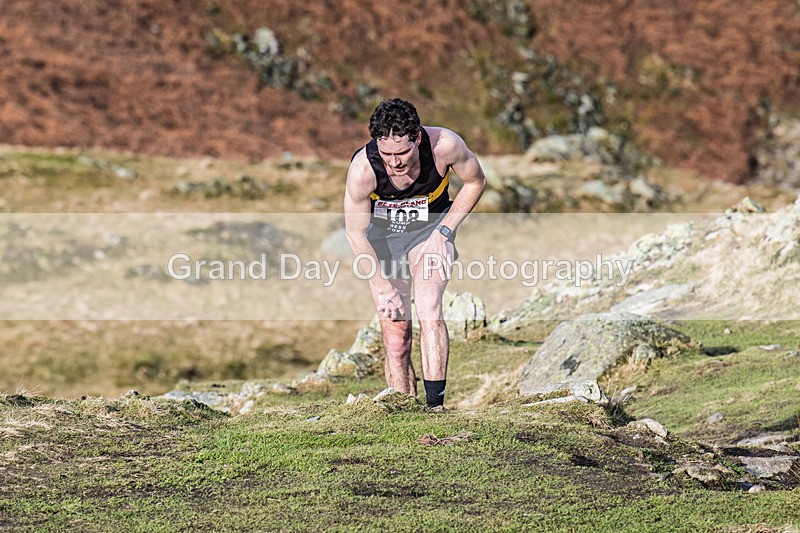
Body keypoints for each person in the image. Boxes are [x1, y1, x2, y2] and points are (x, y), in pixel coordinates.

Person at [344, 98, 486, 408]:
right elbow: (355, 232)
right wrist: (382, 287)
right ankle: (405, 411)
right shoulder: (363, 170)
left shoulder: (444, 145)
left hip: (430, 232)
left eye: (403, 152)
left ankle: (436, 407)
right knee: (397, 340)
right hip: (382, 242)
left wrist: (444, 231)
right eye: (387, 154)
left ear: (417, 138)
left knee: (428, 304)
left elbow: (476, 181)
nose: (395, 162)